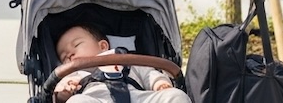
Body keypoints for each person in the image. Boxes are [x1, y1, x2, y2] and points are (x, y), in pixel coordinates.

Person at [53, 23, 189, 103]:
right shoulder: (75, 73)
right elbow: (59, 94)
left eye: (76, 44)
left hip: (137, 97)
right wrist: (64, 92)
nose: (70, 54)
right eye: (64, 57)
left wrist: (160, 84)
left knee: (176, 96)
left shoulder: (127, 60)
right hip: (97, 99)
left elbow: (148, 73)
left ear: (103, 46)